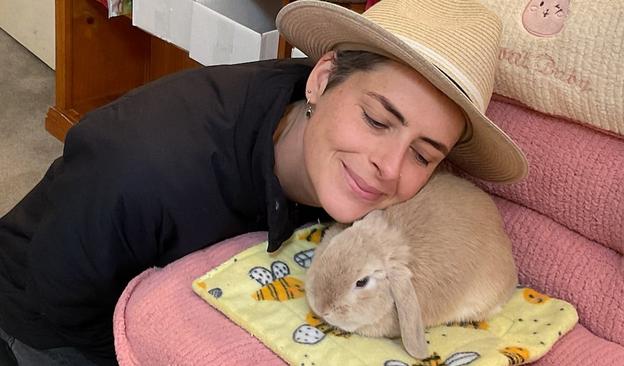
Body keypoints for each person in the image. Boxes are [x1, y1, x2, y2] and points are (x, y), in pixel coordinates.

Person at [0, 0, 528, 364]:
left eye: (422, 154)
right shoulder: (144, 168)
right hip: (41, 317)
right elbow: (60, 300)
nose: (389, 168)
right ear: (322, 79)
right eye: (376, 119)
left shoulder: (357, 183)